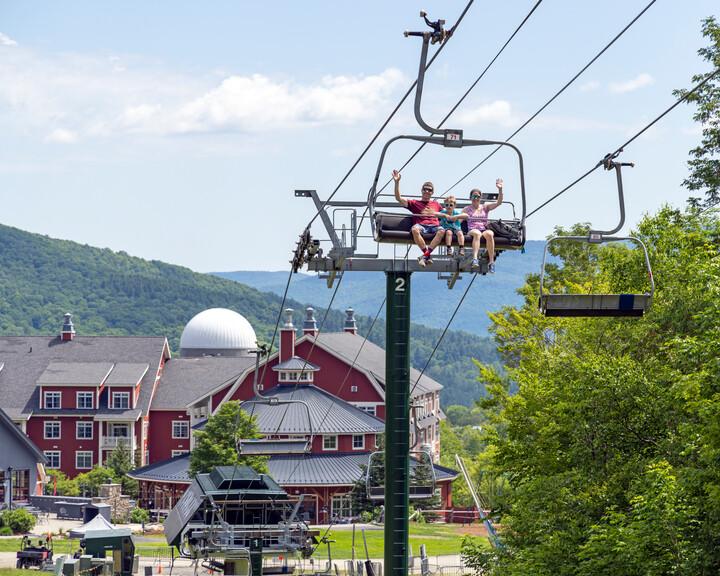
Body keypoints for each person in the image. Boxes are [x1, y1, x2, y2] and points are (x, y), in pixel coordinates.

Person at [392, 169, 445, 267]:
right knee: (415, 229)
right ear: (421, 190)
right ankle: (427, 255)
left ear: (432, 192)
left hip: (434, 226)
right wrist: (397, 182)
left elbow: (446, 215)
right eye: (425, 189)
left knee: (442, 231)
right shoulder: (415, 203)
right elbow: (398, 198)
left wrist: (435, 213)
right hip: (421, 225)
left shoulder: (436, 204)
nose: (427, 191)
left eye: (429, 190)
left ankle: (424, 256)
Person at [458, 178, 504, 273]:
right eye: (474, 196)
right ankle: (475, 258)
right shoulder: (466, 209)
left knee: (490, 234)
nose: (476, 199)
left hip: (483, 228)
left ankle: (491, 262)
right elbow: (459, 221)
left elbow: (499, 203)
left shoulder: (485, 207)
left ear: (480, 198)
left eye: (478, 197)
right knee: (477, 233)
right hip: (472, 229)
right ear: (470, 198)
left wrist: (500, 189)